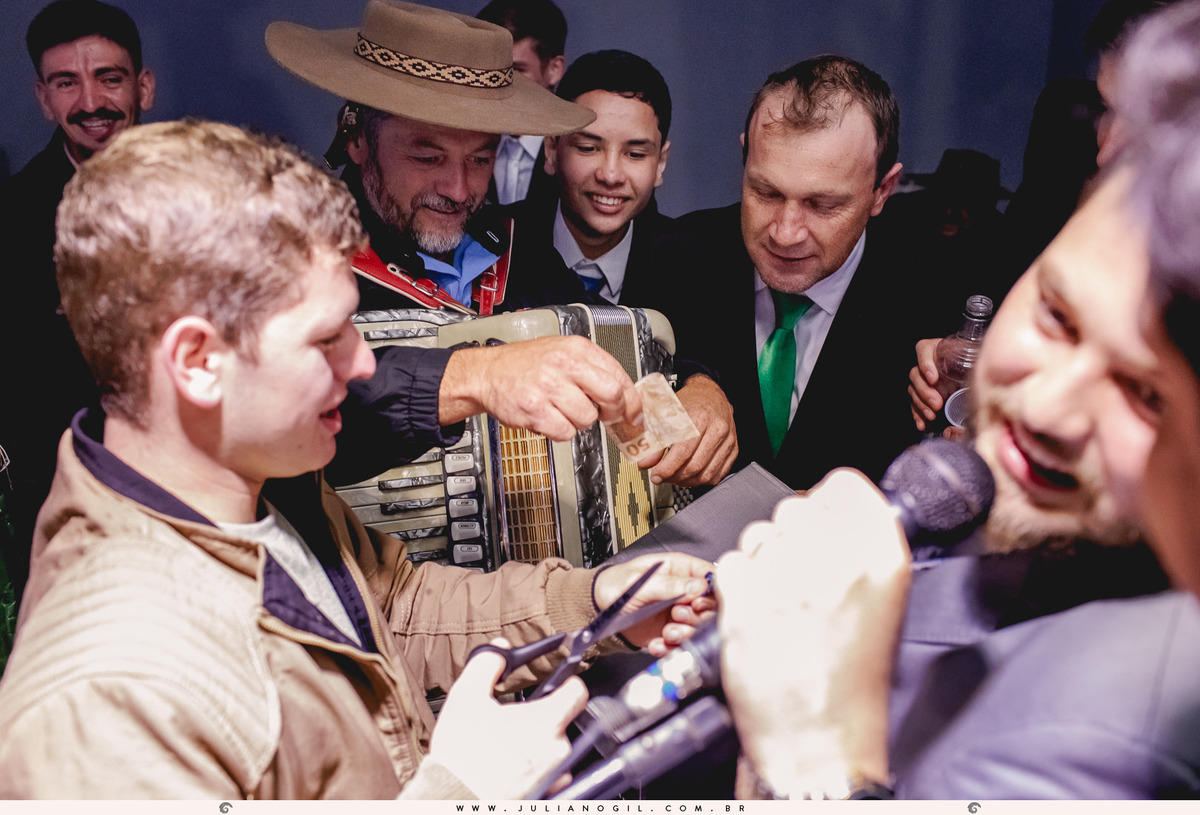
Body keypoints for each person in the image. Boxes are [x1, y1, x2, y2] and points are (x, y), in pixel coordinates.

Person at [0, 118, 714, 799]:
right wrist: (459, 790)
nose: (364, 359)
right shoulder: (107, 689)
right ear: (196, 360)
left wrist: (598, 604)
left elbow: (398, 610)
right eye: (327, 338)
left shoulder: (268, 489)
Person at [270, 1, 736, 490]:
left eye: (479, 158)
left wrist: (696, 385)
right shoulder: (294, 260)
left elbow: (614, 341)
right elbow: (282, 402)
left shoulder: (516, 248)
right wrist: (475, 377)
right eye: (428, 156)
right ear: (357, 140)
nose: (457, 189)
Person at [645, 55, 942, 490]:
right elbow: (624, 400)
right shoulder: (674, 260)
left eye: (823, 205)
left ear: (882, 191)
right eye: (765, 192)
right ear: (745, 155)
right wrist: (689, 384)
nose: (785, 234)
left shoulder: (935, 301)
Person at [0, 0, 154, 605]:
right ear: (44, 97)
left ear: (144, 85)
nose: (90, 102)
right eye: (67, 82)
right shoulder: (11, 222)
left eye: (109, 78)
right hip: (76, 521)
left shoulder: (209, 190)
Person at [513, 49, 675, 308]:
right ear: (552, 150)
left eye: (634, 154)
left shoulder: (689, 270)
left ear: (660, 164)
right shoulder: (495, 248)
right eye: (588, 148)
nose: (610, 176)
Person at [477, 0, 567, 206]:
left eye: (516, 70)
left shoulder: (576, 157)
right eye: (490, 70)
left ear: (554, 69)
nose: (497, 83)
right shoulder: (465, 146)